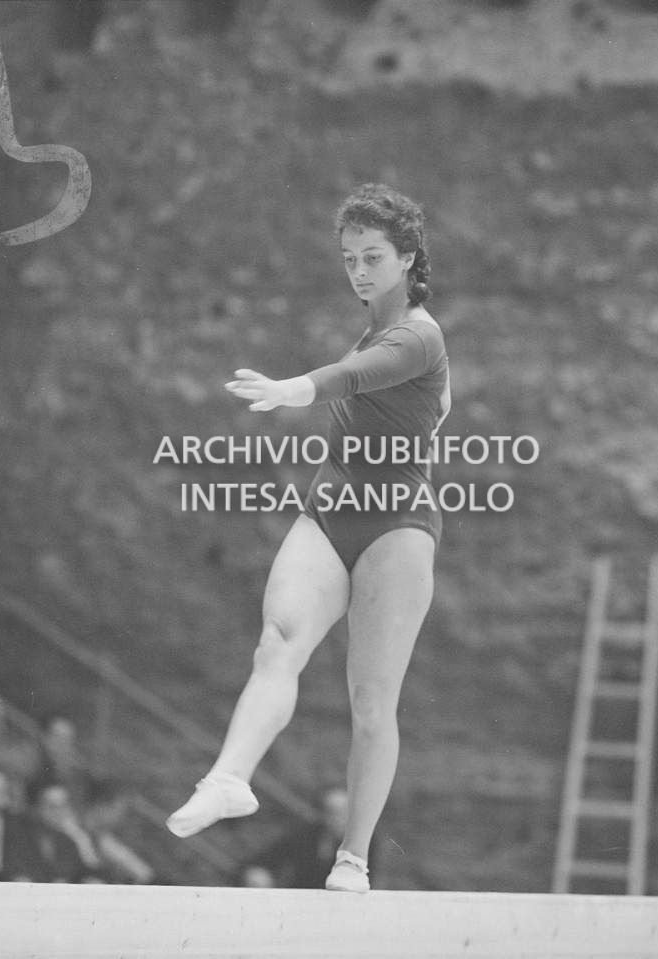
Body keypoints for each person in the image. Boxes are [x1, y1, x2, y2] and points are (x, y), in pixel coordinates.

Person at [167, 184, 449, 894]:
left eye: (373, 256)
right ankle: (228, 776)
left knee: (370, 701)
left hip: (397, 525)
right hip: (329, 511)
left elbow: (363, 374)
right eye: (349, 257)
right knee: (276, 643)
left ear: (408, 257)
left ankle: (353, 857)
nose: (357, 269)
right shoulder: (370, 328)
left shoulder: (420, 332)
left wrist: (299, 388)